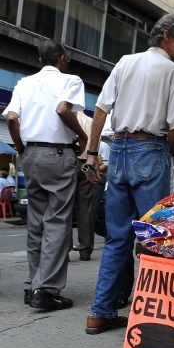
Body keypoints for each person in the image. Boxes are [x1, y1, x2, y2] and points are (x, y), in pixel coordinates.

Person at [83, 13, 174, 334]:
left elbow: (101, 108)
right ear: (167, 37)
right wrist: (164, 150)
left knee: (118, 237)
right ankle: (153, 315)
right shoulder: (173, 71)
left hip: (118, 151)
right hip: (150, 149)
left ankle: (100, 311)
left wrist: (93, 153)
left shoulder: (125, 62)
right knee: (156, 237)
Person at [3, 40, 88, 311]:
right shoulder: (71, 80)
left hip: (31, 155)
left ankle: (32, 283)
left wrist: (20, 148)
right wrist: (83, 136)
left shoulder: (24, 83)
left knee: (36, 222)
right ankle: (47, 289)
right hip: (59, 155)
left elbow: (13, 118)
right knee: (58, 222)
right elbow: (63, 109)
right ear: (62, 59)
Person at [72, 110, 96, 261]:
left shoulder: (68, 119)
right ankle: (85, 250)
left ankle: (64, 249)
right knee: (85, 208)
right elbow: (95, 145)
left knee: (64, 207)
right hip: (88, 164)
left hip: (69, 163)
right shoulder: (91, 121)